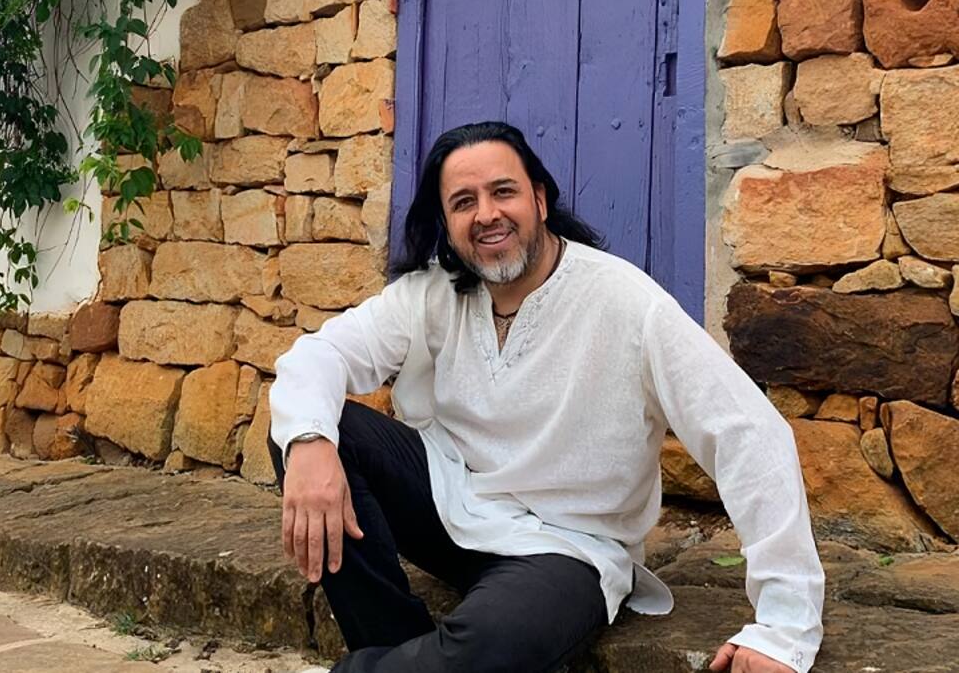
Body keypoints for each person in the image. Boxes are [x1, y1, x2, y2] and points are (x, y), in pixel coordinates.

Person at [267, 121, 824, 673]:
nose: (486, 214)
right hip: (452, 505)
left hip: (567, 549)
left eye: (502, 191)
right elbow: (318, 356)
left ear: (538, 199)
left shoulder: (627, 302)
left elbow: (747, 432)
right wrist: (311, 443)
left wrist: (783, 628)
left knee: (495, 642)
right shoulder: (433, 292)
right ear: (447, 222)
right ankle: (394, 646)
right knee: (307, 432)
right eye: (464, 202)